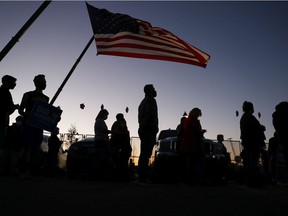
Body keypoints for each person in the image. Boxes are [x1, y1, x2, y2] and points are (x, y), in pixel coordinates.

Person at [18, 74, 49, 179]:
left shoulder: (46, 98)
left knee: (36, 147)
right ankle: (24, 170)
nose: (44, 83)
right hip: (28, 124)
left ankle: (32, 169)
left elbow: (46, 113)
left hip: (39, 127)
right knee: (27, 147)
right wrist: (28, 115)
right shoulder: (28, 95)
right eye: (42, 81)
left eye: (45, 81)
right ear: (36, 83)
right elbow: (21, 110)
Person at [240, 101, 266, 187]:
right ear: (251, 108)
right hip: (253, 142)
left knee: (249, 162)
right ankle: (253, 181)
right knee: (253, 162)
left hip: (247, 142)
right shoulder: (250, 117)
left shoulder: (244, 117)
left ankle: (250, 181)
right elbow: (256, 129)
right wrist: (262, 128)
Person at [137, 84, 158, 183]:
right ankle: (143, 177)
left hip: (145, 129)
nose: (155, 90)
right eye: (153, 89)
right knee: (145, 153)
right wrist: (154, 127)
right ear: (149, 90)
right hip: (148, 129)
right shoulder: (150, 100)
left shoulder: (144, 101)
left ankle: (142, 176)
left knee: (144, 153)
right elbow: (151, 115)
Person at [180, 108, 207, 185]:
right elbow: (196, 133)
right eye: (199, 113)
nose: (199, 115)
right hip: (193, 145)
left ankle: (189, 180)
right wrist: (201, 132)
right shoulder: (194, 121)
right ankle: (195, 180)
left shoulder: (188, 121)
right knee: (195, 163)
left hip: (188, 145)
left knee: (190, 163)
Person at [0, 75, 19, 173]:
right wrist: (15, 107)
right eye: (13, 82)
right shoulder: (5, 92)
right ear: (7, 82)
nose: (14, 84)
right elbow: (8, 108)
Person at [110, 113, 132, 181]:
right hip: (121, 145)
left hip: (120, 145)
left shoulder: (118, 124)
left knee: (120, 161)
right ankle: (121, 176)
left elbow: (116, 133)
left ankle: (119, 176)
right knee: (121, 161)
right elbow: (118, 133)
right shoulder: (120, 124)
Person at [93, 108, 111, 180]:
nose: (106, 117)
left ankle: (98, 174)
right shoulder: (100, 121)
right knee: (100, 158)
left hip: (100, 140)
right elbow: (103, 130)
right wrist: (111, 132)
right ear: (103, 114)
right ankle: (99, 175)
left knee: (99, 158)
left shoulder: (99, 121)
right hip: (101, 141)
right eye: (106, 115)